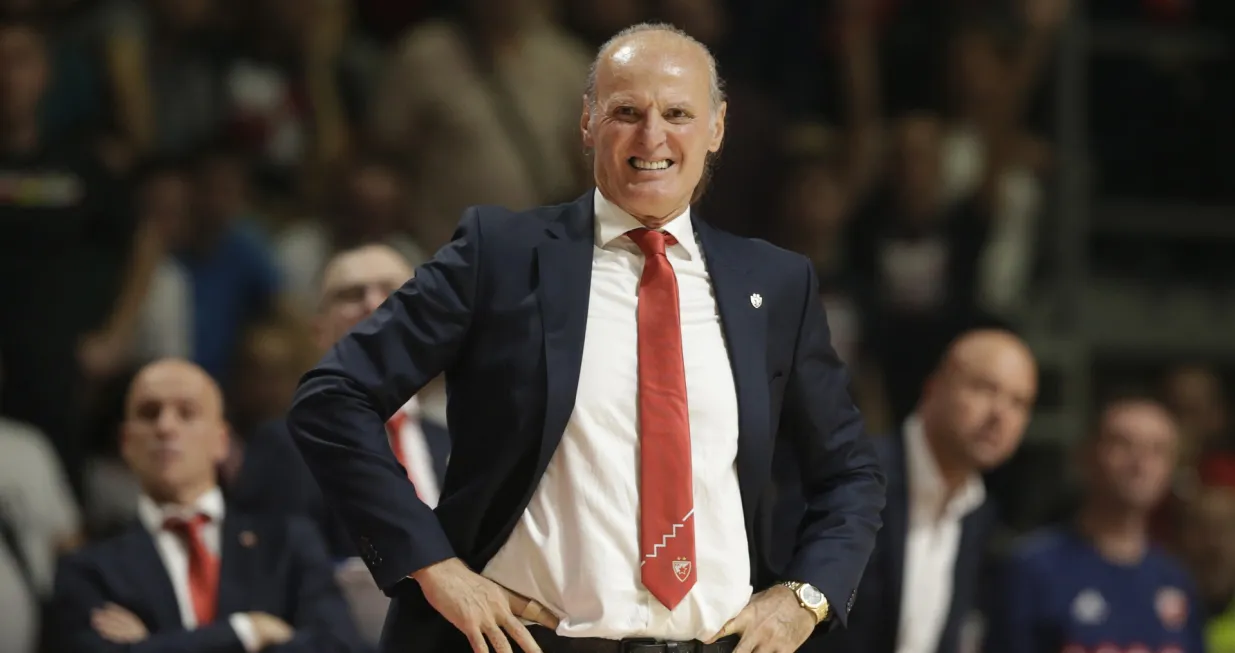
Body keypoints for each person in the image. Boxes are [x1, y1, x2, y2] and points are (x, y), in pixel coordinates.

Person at [288, 22, 886, 653]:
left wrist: (805, 596)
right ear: (587, 122)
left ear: (716, 128)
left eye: (678, 113)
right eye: (626, 111)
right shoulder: (501, 256)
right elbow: (334, 396)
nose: (651, 136)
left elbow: (850, 471)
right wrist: (433, 567)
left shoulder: (775, 284)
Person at [52, 359, 367, 653]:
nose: (165, 427)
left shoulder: (288, 544)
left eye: (186, 413)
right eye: (149, 413)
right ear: (126, 442)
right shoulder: (88, 568)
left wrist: (152, 645)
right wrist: (246, 631)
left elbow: (337, 646)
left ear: (221, 441)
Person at [793, 329, 1035, 653]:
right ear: (934, 388)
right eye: (984, 388)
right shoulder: (851, 474)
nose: (1000, 415)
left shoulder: (980, 514)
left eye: (1019, 403)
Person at [987, 398, 1207, 653]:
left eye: (1157, 450)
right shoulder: (1033, 570)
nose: (1140, 464)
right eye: (1124, 444)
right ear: (1086, 455)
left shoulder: (1176, 580)